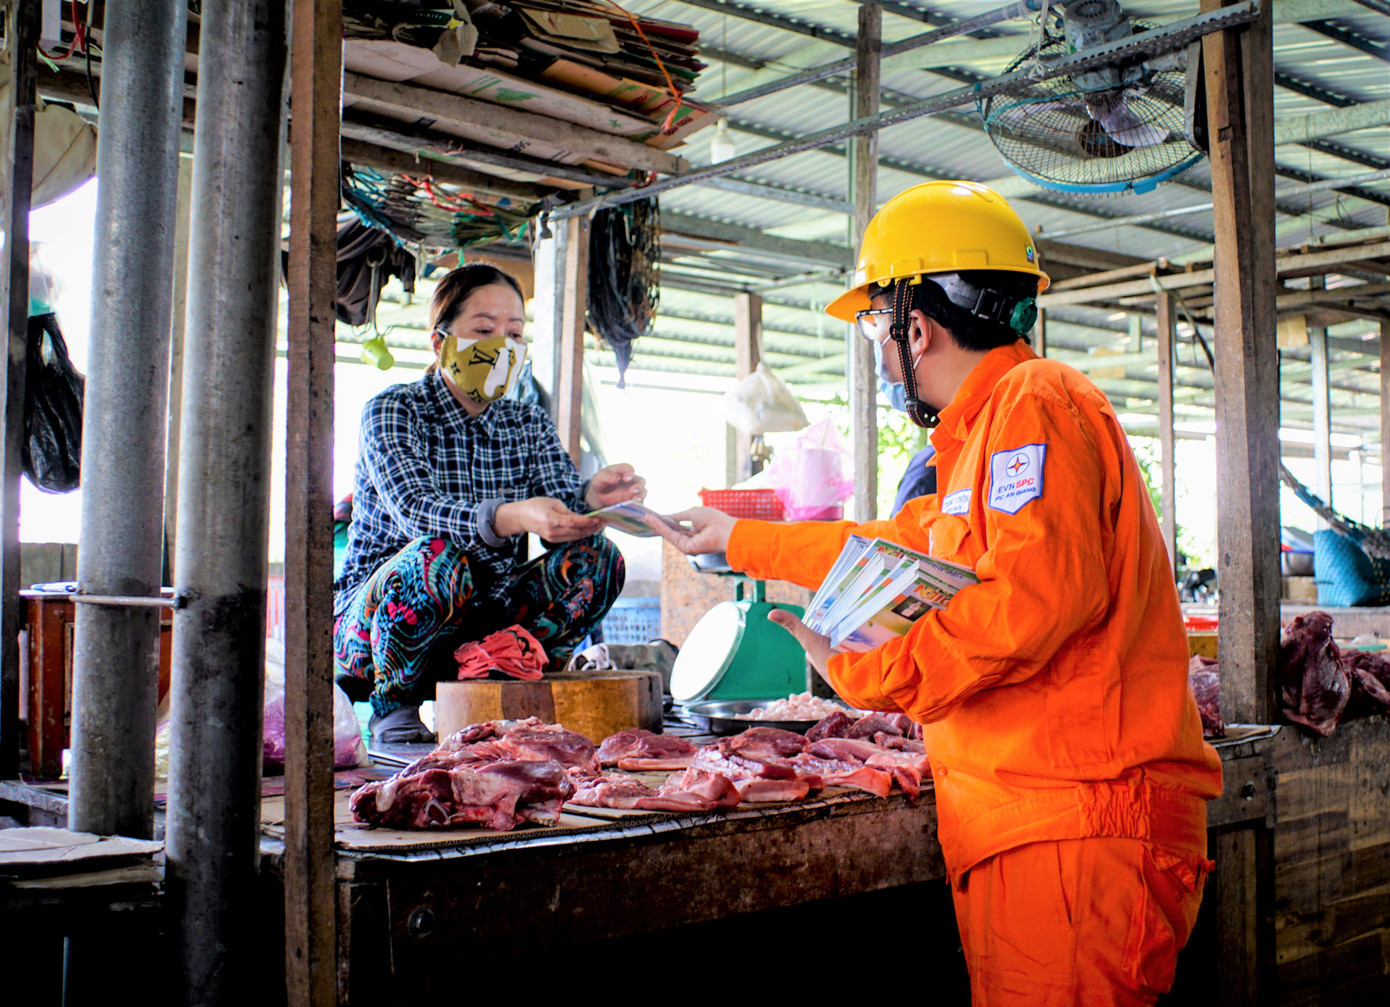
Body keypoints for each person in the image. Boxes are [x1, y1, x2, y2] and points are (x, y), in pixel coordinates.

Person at [650, 181, 1222, 1006]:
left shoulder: (1035, 404)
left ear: (914, 327)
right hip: (1037, 826)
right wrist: (739, 539)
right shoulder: (985, 436)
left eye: (874, 328)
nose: (880, 355)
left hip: (1075, 830)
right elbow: (894, 547)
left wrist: (867, 673)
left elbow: (1027, 605)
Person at [334, 263, 643, 743]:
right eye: (483, 330)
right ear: (439, 343)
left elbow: (560, 505)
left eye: (514, 333)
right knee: (436, 558)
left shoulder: (527, 423)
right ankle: (395, 708)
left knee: (598, 559)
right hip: (380, 629)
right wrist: (510, 516)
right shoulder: (394, 410)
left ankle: (515, 679)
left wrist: (590, 499)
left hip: (485, 615)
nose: (502, 346)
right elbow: (415, 510)